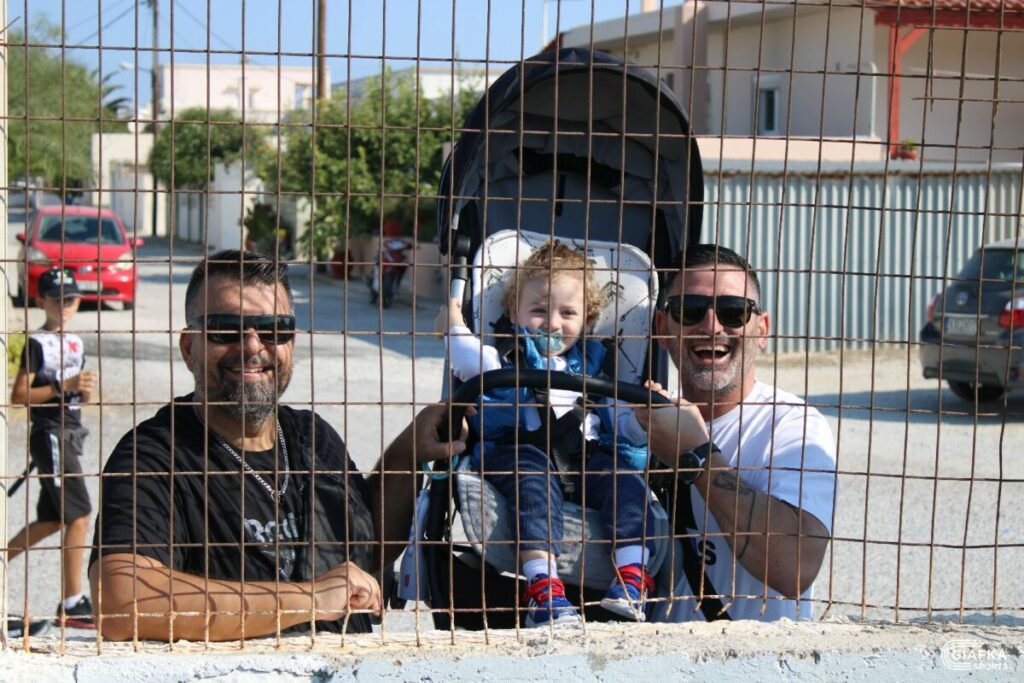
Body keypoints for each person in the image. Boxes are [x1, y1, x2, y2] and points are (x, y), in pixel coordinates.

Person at [89, 250, 465, 641]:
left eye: (274, 328)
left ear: (291, 342)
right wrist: (309, 599)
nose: (253, 346)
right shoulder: (154, 455)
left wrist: (405, 455)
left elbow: (364, 553)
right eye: (225, 329)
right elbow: (120, 602)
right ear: (189, 348)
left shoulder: (311, 436)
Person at [434, 240, 656, 626]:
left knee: (626, 483)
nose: (552, 323)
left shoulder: (595, 369)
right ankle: (543, 587)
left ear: (587, 319)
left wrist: (642, 418)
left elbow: (620, 425)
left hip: (584, 457)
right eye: (538, 310)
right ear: (513, 311)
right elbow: (467, 358)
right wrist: (452, 321)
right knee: (533, 483)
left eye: (567, 313)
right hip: (519, 452)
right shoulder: (505, 357)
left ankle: (631, 579)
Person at [631, 244, 836, 622]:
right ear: (662, 328)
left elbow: (795, 568)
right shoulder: (638, 418)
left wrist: (697, 454)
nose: (711, 326)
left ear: (762, 330)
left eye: (734, 311)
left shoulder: (792, 425)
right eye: (690, 310)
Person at [7, 267, 99, 634]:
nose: (65, 306)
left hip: (69, 432)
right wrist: (64, 385)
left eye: (71, 299)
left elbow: (78, 394)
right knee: (80, 514)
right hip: (51, 433)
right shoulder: (37, 343)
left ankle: (2, 558)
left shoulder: (75, 342)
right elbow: (19, 395)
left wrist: (83, 390)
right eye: (58, 299)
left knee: (53, 519)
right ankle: (72, 602)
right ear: (41, 301)